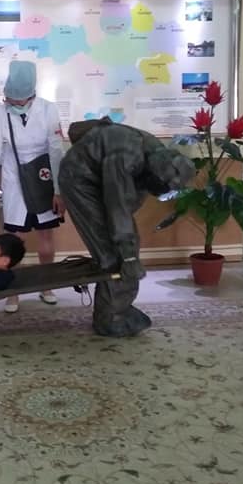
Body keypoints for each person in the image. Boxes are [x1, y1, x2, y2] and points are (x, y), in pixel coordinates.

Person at [58, 117, 195, 337]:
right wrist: (128, 256)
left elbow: (127, 203)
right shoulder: (126, 157)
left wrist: (127, 242)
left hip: (100, 176)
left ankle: (118, 306)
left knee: (125, 244)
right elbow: (118, 205)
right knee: (113, 254)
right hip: (79, 180)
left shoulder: (155, 152)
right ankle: (110, 318)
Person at [0, 60, 65, 313]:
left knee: (46, 234)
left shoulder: (48, 110)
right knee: (14, 238)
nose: (14, 103)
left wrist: (59, 191)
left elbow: (56, 151)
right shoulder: (0, 113)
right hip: (14, 180)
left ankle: (46, 285)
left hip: (43, 177)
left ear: (31, 93)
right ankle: (13, 291)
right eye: (10, 99)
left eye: (19, 100)